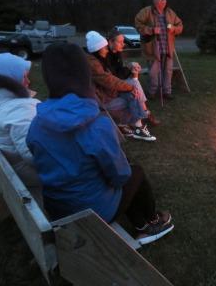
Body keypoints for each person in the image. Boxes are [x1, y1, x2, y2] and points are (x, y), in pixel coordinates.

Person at [26, 42, 174, 245]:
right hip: (89, 212)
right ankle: (151, 223)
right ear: (84, 74)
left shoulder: (38, 122)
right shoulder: (96, 124)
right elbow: (121, 176)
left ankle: (140, 223)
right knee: (135, 172)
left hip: (57, 206)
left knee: (119, 170)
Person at [0, 53, 42, 205]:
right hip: (33, 176)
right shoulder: (19, 110)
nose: (28, 82)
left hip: (14, 173)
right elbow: (35, 156)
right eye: (24, 77)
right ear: (9, 79)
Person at [85, 30, 156, 141]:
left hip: (108, 92)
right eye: (104, 47)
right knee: (133, 91)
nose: (106, 50)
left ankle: (138, 125)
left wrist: (129, 69)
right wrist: (130, 86)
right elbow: (109, 80)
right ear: (98, 49)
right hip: (101, 101)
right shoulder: (94, 64)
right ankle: (139, 120)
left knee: (133, 91)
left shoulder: (97, 60)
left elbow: (114, 76)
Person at [135, 0, 183, 100]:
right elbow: (138, 24)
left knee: (168, 71)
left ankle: (167, 92)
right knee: (153, 73)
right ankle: (152, 92)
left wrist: (173, 29)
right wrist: (151, 30)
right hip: (153, 49)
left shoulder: (170, 12)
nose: (163, 0)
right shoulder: (147, 11)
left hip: (168, 48)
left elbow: (180, 26)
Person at [106, 28, 159, 126]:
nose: (123, 44)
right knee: (134, 83)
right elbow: (114, 76)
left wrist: (131, 66)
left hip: (118, 82)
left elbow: (119, 71)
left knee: (134, 82)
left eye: (123, 42)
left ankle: (145, 114)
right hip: (111, 88)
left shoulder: (116, 53)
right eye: (120, 42)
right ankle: (145, 113)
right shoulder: (105, 56)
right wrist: (130, 68)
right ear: (110, 42)